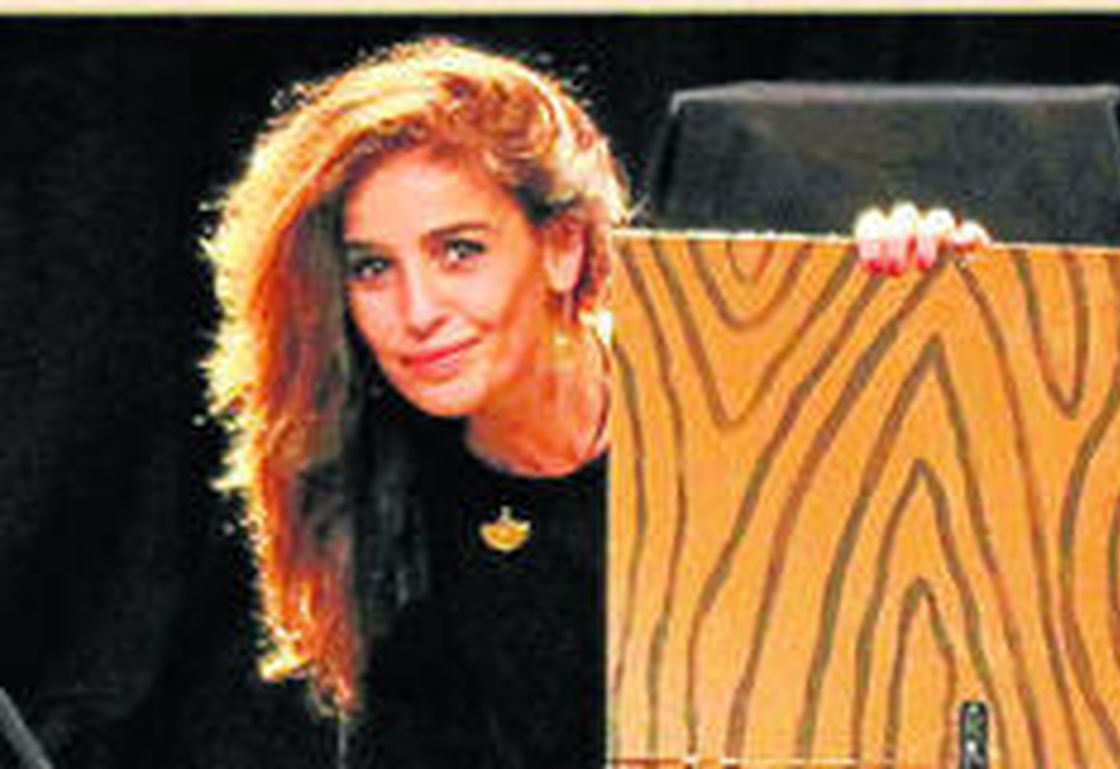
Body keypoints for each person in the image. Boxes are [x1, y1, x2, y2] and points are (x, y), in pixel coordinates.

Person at [202, 36, 985, 769]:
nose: (417, 310)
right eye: (373, 267)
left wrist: (942, 306)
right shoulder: (383, 499)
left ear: (563, 247)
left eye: (460, 251)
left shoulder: (737, 390)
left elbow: (956, 584)